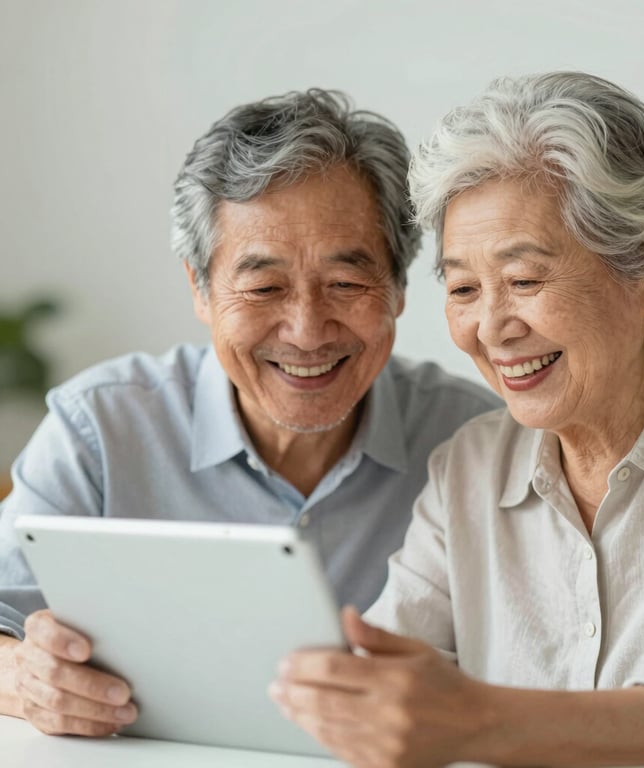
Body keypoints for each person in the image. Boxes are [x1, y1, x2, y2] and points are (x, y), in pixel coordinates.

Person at [271, 73, 644, 768]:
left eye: (526, 280)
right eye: (465, 289)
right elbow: (380, 692)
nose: (492, 328)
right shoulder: (470, 467)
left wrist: (482, 721)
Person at [0, 89, 501, 737]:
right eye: (264, 287)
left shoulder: (476, 440)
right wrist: (22, 677)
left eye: (347, 284)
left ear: (400, 289)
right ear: (200, 289)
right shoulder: (100, 427)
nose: (307, 331)